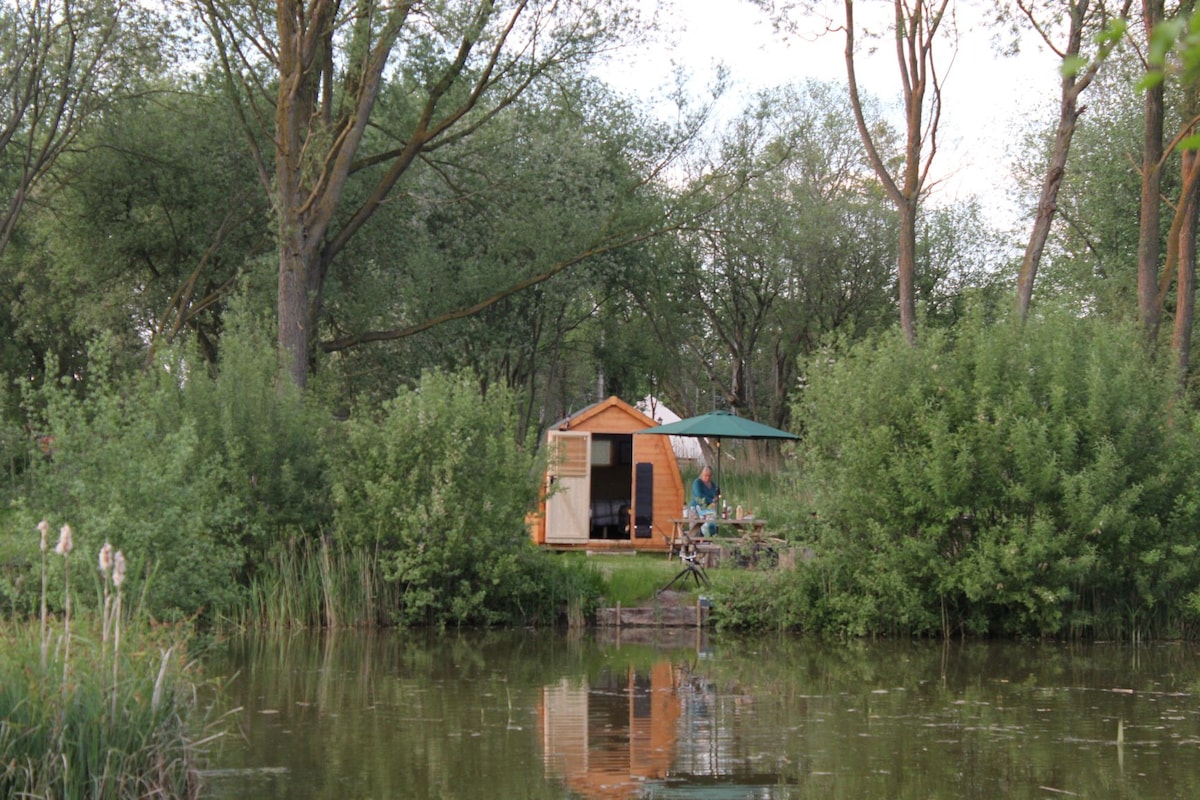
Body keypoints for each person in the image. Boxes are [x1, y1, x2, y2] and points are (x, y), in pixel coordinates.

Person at [691, 466, 720, 537]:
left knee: (713, 519)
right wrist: (711, 500)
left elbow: (716, 494)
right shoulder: (697, 483)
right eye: (706, 475)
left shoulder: (713, 485)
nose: (707, 478)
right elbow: (699, 495)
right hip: (697, 508)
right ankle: (703, 537)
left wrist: (717, 497)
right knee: (703, 523)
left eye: (709, 476)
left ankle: (712, 537)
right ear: (702, 474)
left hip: (709, 509)